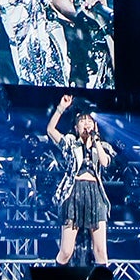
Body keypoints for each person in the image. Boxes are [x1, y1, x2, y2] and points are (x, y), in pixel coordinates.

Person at [45, 94, 112, 265]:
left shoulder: (102, 146)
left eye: (89, 120)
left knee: (101, 251)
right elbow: (51, 131)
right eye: (82, 121)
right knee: (66, 251)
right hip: (73, 193)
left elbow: (105, 162)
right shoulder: (70, 143)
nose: (86, 123)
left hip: (95, 194)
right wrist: (61, 109)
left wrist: (96, 141)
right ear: (76, 127)